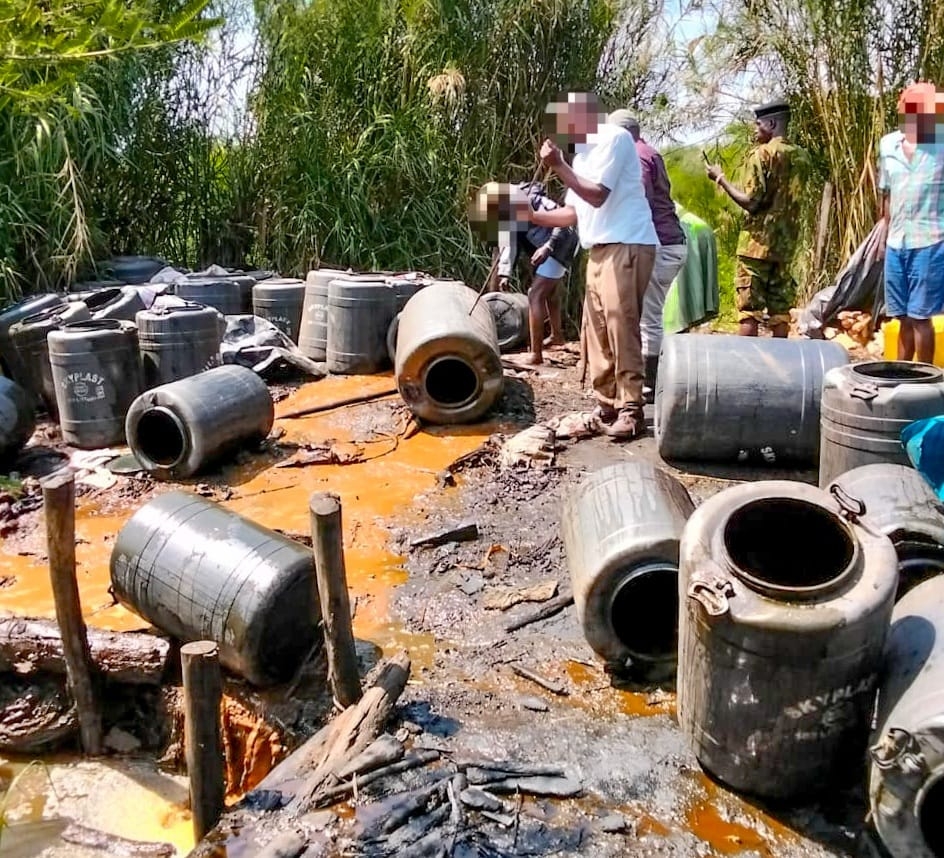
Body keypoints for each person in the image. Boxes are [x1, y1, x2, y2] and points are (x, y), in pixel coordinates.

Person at [529, 92, 658, 439]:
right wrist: (530, 215)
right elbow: (572, 213)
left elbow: (597, 195)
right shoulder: (582, 155)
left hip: (627, 242)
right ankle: (607, 403)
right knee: (596, 329)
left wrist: (558, 166)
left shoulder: (614, 139)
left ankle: (631, 409)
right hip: (599, 248)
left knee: (620, 325)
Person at [706, 98, 810, 337]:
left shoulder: (761, 155)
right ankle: (779, 360)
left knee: (748, 312)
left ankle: (745, 361)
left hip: (755, 248)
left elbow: (751, 202)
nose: (755, 129)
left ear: (771, 124)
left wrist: (720, 178)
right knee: (780, 313)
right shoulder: (802, 157)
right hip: (785, 248)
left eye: (758, 124)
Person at [607, 111, 687, 398]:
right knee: (645, 314)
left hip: (659, 244)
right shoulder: (648, 152)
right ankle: (648, 379)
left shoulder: (637, 156)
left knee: (647, 317)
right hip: (669, 242)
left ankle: (650, 385)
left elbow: (640, 199)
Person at [877, 82, 944, 362]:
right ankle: (901, 375)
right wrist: (883, 237)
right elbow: (887, 195)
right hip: (897, 242)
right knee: (901, 317)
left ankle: (925, 379)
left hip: (930, 242)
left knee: (920, 318)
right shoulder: (888, 145)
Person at [494, 181, 579, 364]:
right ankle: (557, 337)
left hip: (561, 243)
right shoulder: (506, 212)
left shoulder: (534, 200)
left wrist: (549, 246)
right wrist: (505, 272)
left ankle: (536, 355)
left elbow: (562, 221)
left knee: (535, 294)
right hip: (547, 248)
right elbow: (509, 243)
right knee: (551, 293)